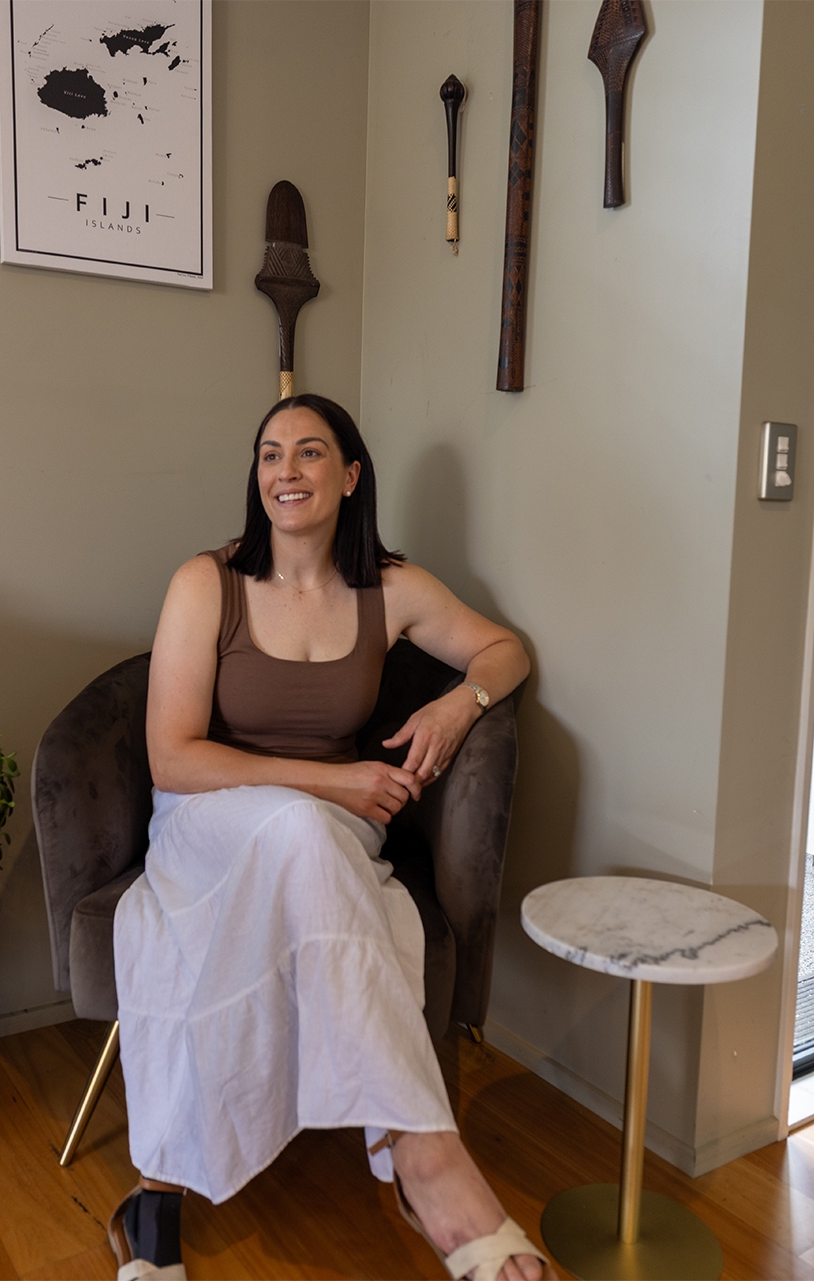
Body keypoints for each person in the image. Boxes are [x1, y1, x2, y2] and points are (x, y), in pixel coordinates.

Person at [109, 395, 547, 1281]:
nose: (286, 471)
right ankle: (426, 1160)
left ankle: (155, 1201)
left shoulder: (393, 587)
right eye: (270, 453)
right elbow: (172, 758)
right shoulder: (208, 581)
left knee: (311, 839)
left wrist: (462, 702)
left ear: (350, 476)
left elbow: (507, 649)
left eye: (310, 453)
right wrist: (333, 781)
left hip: (333, 832)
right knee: (307, 831)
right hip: (209, 821)